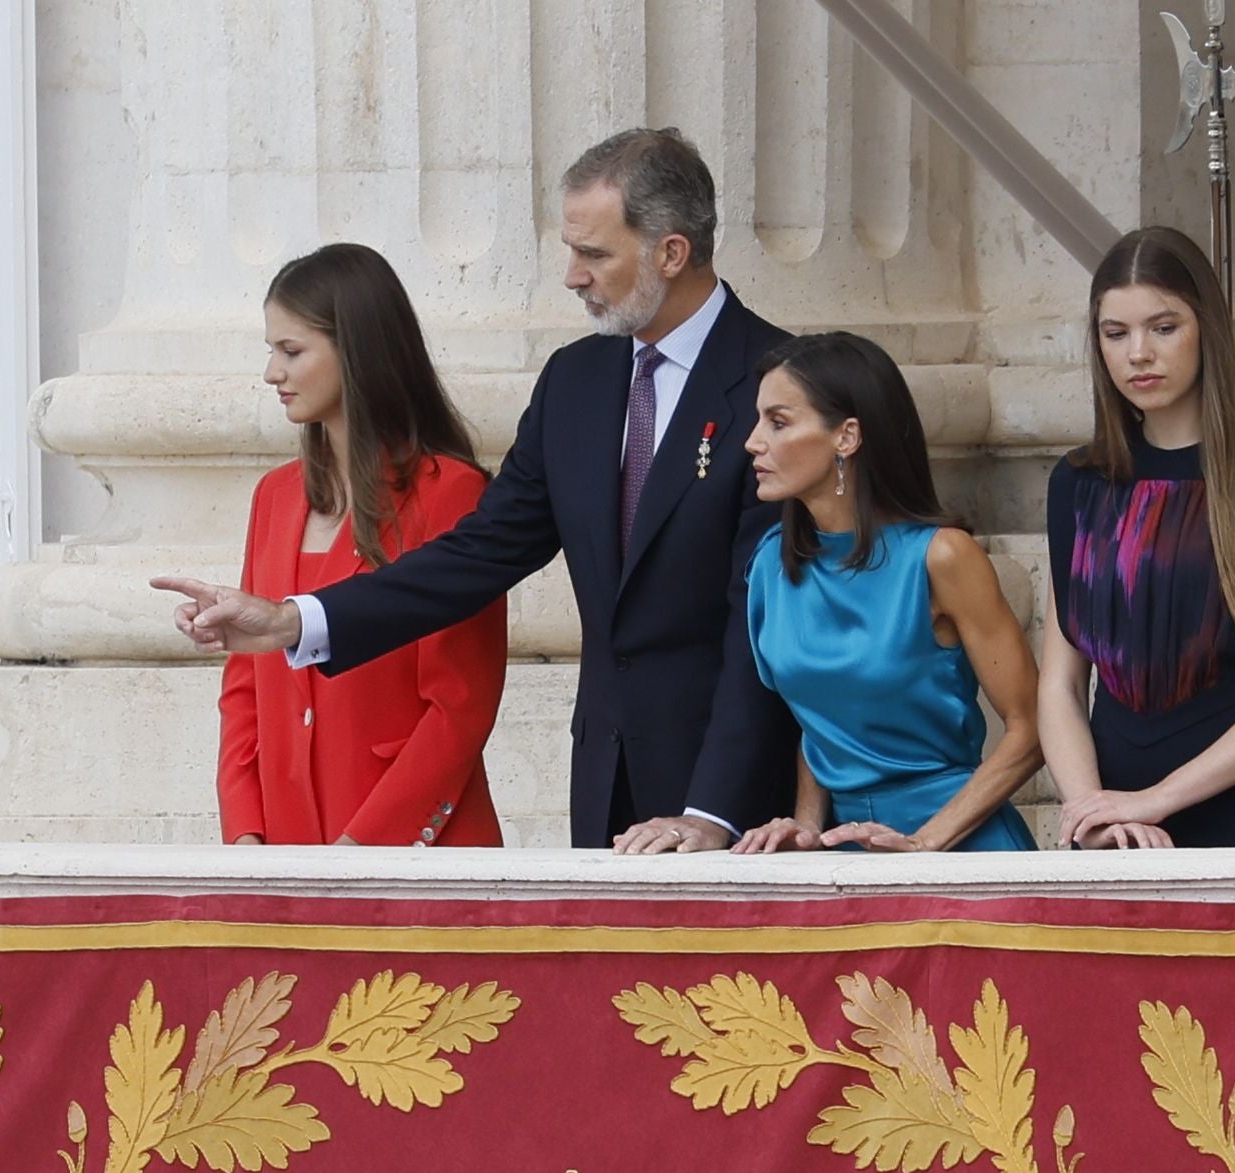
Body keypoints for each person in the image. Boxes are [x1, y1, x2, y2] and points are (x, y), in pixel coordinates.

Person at [154, 127, 796, 852]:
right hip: (607, 790)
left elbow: (766, 627)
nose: (571, 276)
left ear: (671, 253)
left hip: (741, 812)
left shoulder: (786, 384)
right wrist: (293, 622)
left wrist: (713, 811)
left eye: (593, 254)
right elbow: (476, 557)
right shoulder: (575, 383)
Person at [1042, 226, 1235, 849]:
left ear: (1206, 326)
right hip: (1112, 833)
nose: (1138, 354)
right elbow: (1061, 684)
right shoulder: (1078, 482)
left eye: (1163, 327)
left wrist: (1154, 802)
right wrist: (1093, 812)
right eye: (1115, 333)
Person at [217, 243, 507, 846]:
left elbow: (461, 703)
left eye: (291, 351)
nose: (273, 373)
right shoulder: (274, 496)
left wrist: (364, 849)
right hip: (285, 853)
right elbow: (245, 686)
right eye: (271, 351)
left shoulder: (450, 492)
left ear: (357, 351)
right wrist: (245, 831)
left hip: (415, 854)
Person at [729, 333, 1041, 854]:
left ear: (846, 436)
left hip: (962, 848)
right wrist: (807, 826)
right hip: (846, 849)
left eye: (778, 422)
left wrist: (926, 841)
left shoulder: (943, 557)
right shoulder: (770, 564)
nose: (753, 441)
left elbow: (1031, 729)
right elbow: (819, 716)